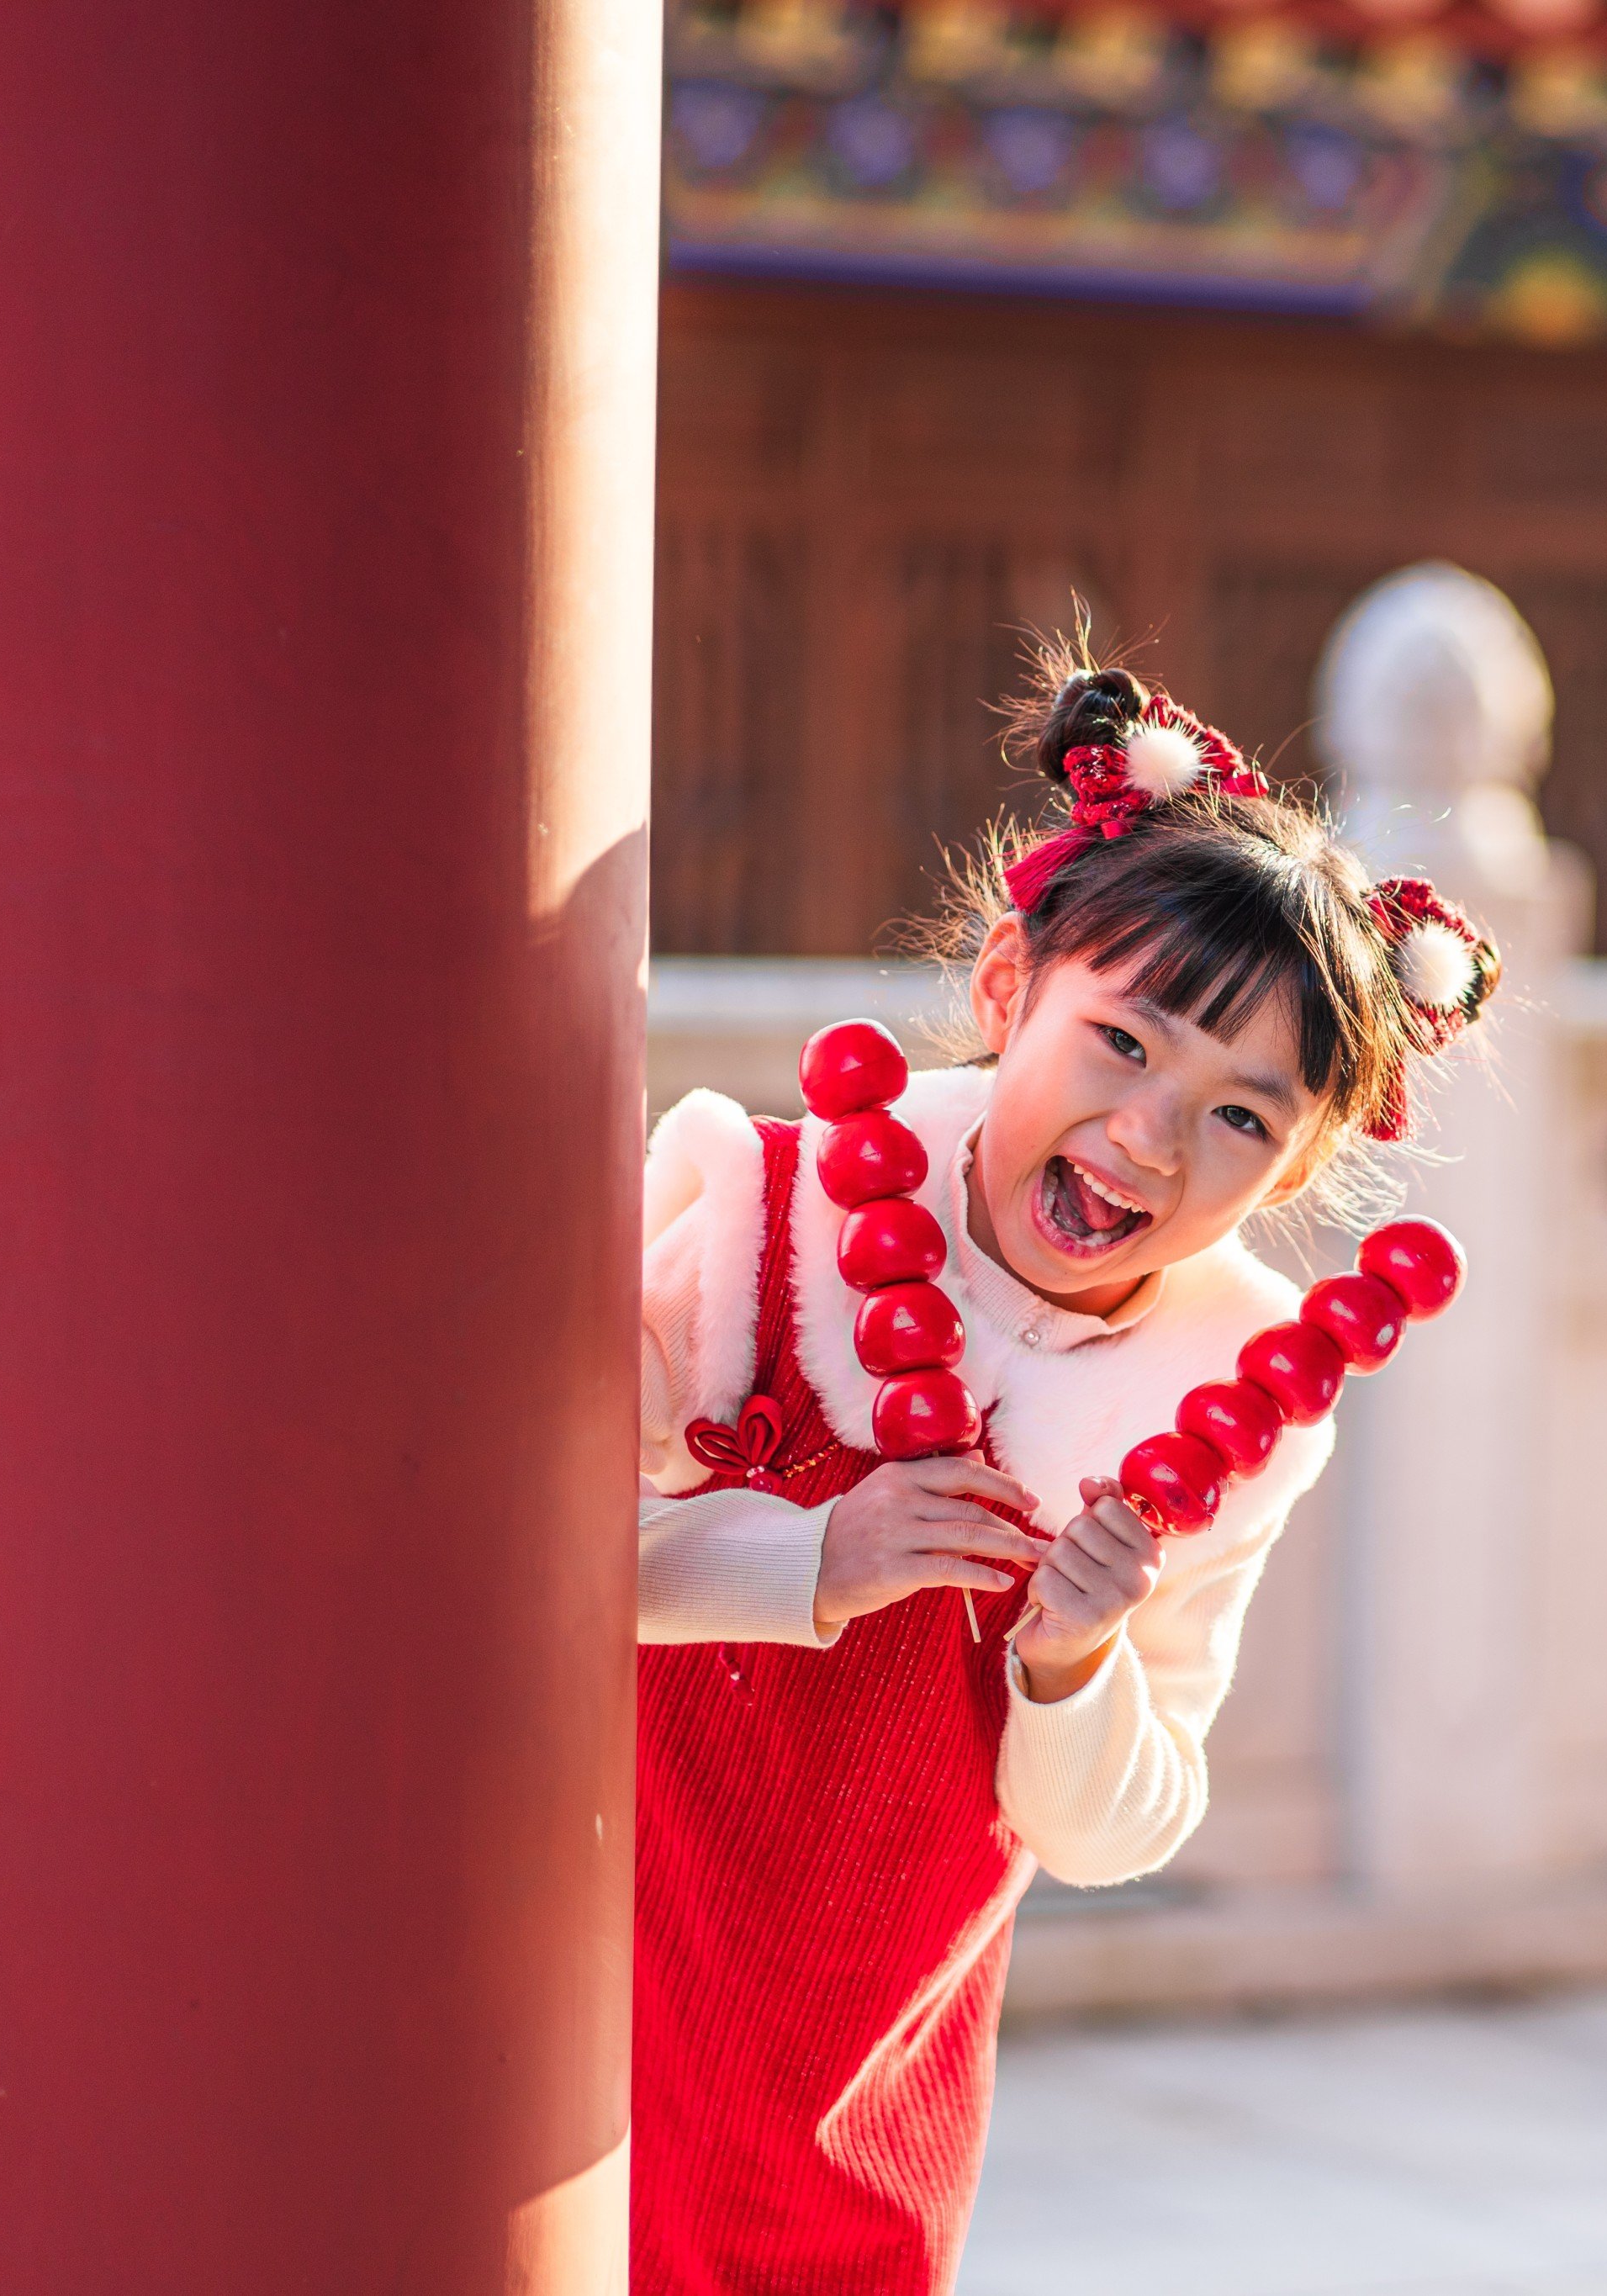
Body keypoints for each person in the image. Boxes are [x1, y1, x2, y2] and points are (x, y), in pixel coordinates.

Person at [626, 653, 1499, 2293]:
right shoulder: (753, 1210)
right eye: (1121, 1042)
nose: (1149, 1141)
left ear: (1304, 1166)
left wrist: (1069, 1659)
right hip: (588, 2001)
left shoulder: (1240, 1401)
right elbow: (509, 1575)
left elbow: (1118, 1827)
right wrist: (807, 1556)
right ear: (1009, 977)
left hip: (856, 2083)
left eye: (1242, 1121)